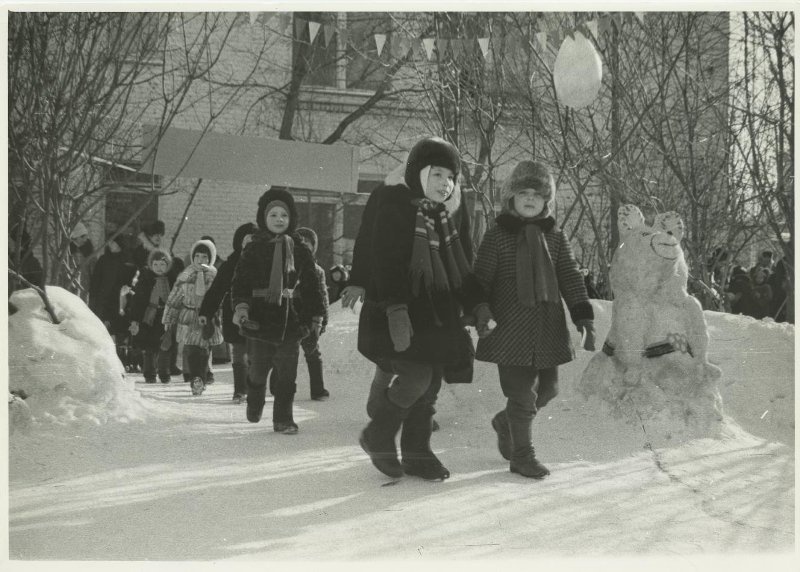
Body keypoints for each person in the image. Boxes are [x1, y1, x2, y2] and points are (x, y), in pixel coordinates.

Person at [357, 136, 480, 481]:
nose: (445, 183)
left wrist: (475, 305)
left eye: (450, 178)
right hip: (401, 309)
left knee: (430, 387)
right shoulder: (395, 205)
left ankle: (417, 454)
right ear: (418, 173)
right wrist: (396, 309)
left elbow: (463, 262)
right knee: (416, 377)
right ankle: (378, 433)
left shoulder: (449, 216)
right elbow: (384, 261)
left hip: (438, 314)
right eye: (437, 174)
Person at [472, 160, 595, 479]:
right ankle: (522, 456)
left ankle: (506, 422)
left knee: (550, 389)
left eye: (537, 194)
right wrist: (479, 309)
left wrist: (582, 314)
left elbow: (569, 276)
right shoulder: (497, 236)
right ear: (510, 198)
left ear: (546, 202)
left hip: (546, 328)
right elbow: (480, 278)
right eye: (522, 192)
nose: (529, 198)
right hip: (509, 329)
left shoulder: (554, 236)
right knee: (522, 394)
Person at [230, 188, 326, 434]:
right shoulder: (253, 248)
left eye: (284, 215)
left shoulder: (300, 249)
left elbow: (313, 286)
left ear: (291, 218)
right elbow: (240, 283)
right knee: (258, 370)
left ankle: (283, 419)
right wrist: (242, 308)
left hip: (291, 322)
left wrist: (314, 317)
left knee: (287, 375)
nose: (279, 219)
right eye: (273, 215)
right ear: (264, 218)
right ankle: (255, 398)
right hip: (260, 321)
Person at [199, 222, 258, 403]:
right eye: (246, 240)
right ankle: (240, 390)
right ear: (239, 242)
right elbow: (217, 290)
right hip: (234, 315)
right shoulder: (231, 263)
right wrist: (206, 312)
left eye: (253, 240)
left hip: (258, 314)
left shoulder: (264, 262)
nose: (249, 244)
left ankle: (254, 390)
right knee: (239, 354)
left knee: (256, 355)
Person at [162, 239, 223, 395]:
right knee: (191, 350)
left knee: (203, 351)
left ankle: (202, 378)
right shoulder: (186, 275)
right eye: (197, 256)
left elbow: (221, 298)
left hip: (207, 318)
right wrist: (169, 319)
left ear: (210, 259)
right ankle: (196, 381)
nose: (200, 260)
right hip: (188, 317)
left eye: (204, 257)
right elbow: (174, 298)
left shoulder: (215, 277)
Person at [129, 250, 176, 384]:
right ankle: (149, 373)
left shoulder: (173, 280)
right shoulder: (146, 280)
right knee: (149, 347)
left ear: (168, 265)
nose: (159, 268)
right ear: (150, 265)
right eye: (155, 265)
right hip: (150, 317)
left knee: (165, 346)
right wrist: (135, 320)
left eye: (162, 265)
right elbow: (138, 301)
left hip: (167, 316)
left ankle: (164, 372)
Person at [295, 227, 331, 401]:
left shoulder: (318, 271)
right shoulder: (289, 268)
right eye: (300, 242)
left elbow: (323, 297)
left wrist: (322, 321)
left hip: (310, 319)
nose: (304, 246)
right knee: (285, 354)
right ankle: (276, 385)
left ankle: (317, 389)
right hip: (292, 317)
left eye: (307, 243)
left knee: (313, 353)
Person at [9, 226, 43, 293]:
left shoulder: (31, 263)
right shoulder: (11, 258)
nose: (9, 244)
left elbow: (37, 285)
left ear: (19, 245)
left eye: (11, 241)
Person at [69, 221, 95, 301]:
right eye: (82, 237)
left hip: (85, 289)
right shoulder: (68, 250)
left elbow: (94, 270)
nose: (85, 239)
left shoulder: (89, 250)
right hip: (70, 289)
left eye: (85, 236)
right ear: (76, 237)